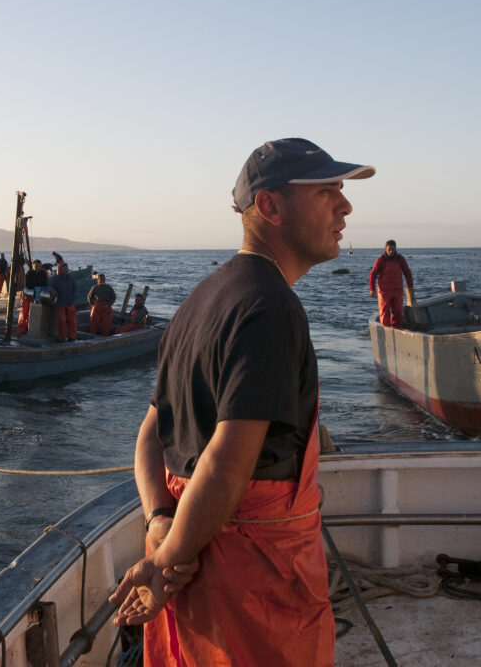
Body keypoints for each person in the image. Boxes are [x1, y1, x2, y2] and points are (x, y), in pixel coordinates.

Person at [109, 137, 375, 666]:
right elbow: (229, 462)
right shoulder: (272, 307)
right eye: (327, 192)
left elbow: (150, 434)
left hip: (187, 552)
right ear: (270, 206)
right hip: (251, 578)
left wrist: (161, 522)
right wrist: (168, 562)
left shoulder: (198, 301)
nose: (345, 206)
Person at [368, 239, 414, 327]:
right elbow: (373, 274)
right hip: (384, 292)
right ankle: (385, 331)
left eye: (393, 249)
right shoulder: (381, 260)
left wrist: (410, 287)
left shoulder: (400, 259)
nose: (391, 251)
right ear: (385, 249)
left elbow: (407, 273)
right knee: (384, 313)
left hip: (397, 290)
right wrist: (371, 289)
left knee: (398, 312)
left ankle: (397, 330)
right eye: (389, 249)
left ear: (395, 249)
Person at [17, 259, 48, 336]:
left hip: (38, 295)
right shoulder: (29, 274)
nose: (37, 268)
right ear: (32, 266)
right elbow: (28, 284)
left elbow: (45, 284)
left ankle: (32, 329)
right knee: (24, 313)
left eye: (39, 266)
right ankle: (22, 331)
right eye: (36, 266)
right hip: (28, 295)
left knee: (36, 313)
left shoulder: (43, 274)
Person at [48, 262, 78, 342]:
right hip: (60, 303)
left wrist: (72, 300)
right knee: (62, 321)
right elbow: (48, 285)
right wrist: (51, 290)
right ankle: (62, 338)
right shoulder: (55, 278)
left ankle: (72, 337)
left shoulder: (71, 279)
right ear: (60, 270)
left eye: (67, 269)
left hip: (70, 303)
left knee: (72, 321)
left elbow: (75, 289)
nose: (66, 270)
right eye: (64, 269)